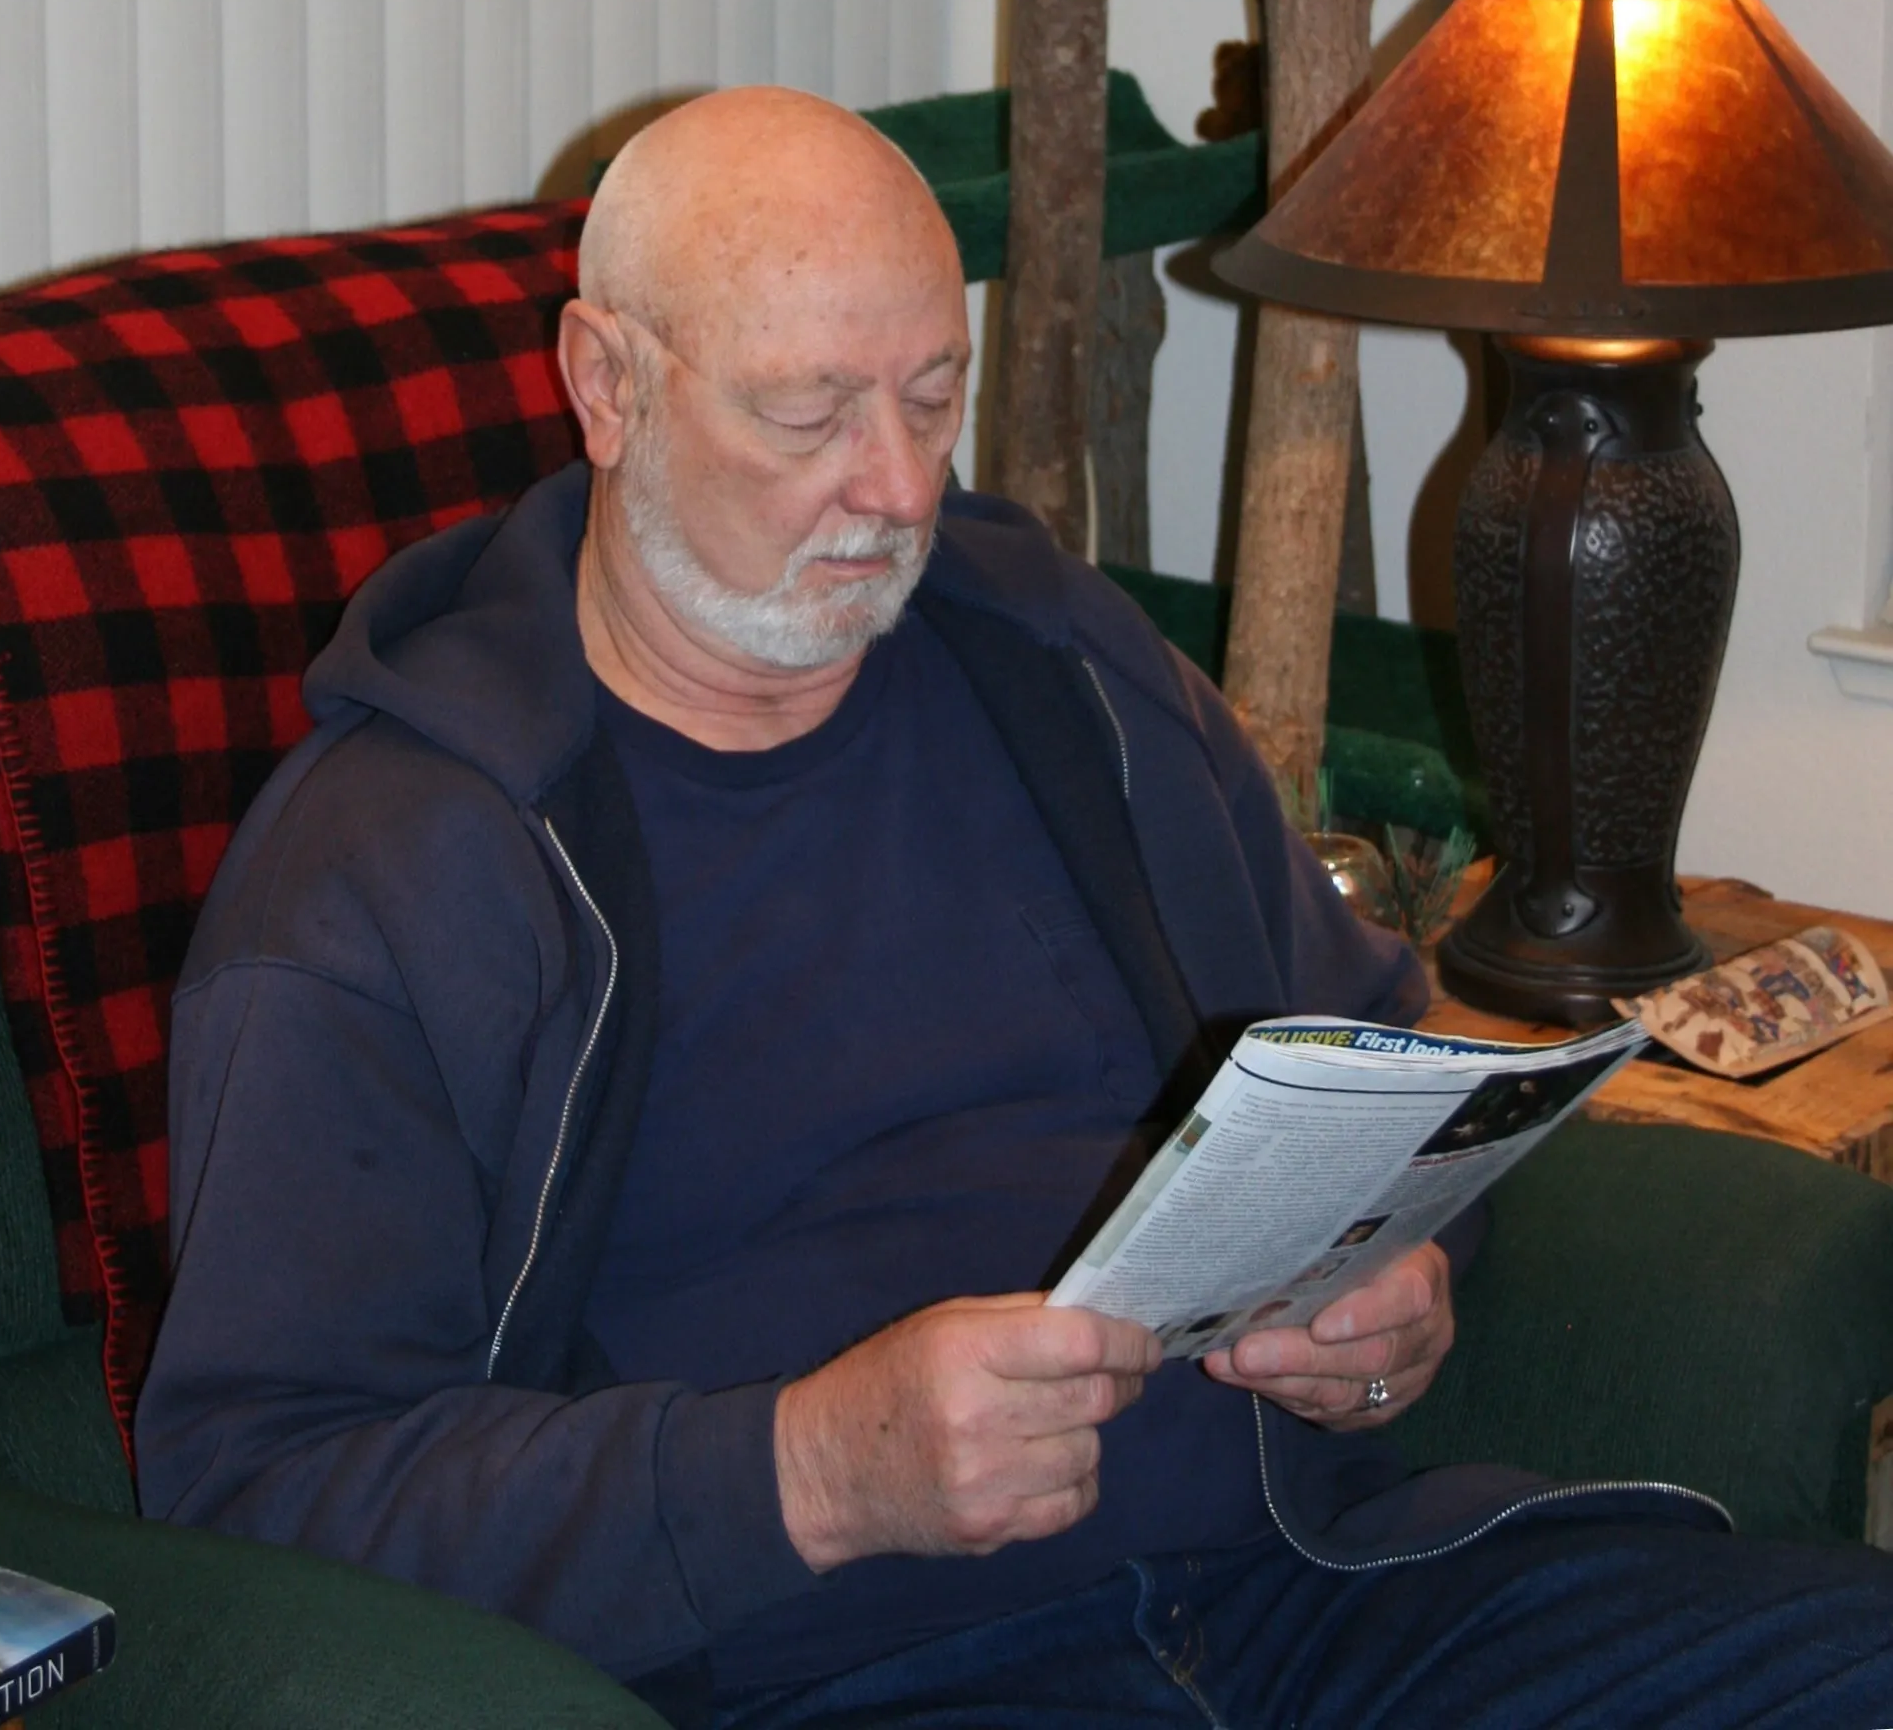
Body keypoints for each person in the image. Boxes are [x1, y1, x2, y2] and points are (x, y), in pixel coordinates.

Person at [137, 90, 1893, 1729]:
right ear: (608, 384)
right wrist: (811, 1474)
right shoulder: (394, 869)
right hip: (864, 1675)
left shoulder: (1060, 666)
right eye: (812, 413)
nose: (899, 489)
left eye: (931, 393)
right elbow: (257, 1494)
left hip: (1324, 1589)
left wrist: (1397, 1288)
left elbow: (1377, 1064)